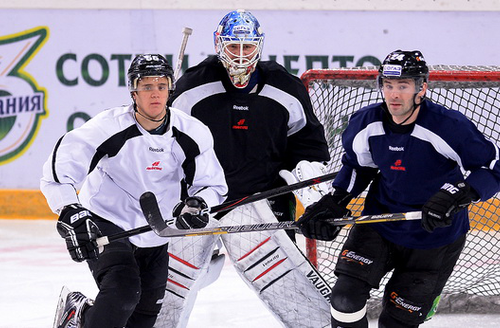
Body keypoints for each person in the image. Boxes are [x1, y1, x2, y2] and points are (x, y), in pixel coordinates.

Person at [296, 49, 500, 327]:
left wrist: (458, 195)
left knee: (395, 323)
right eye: (388, 85)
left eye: (403, 86)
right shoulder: (366, 123)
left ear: (421, 88)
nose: (394, 94)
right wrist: (334, 201)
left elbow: (491, 167)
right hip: (380, 224)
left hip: (435, 236)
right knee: (345, 299)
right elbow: (358, 167)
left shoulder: (448, 126)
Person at [158, 9, 332, 328]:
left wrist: (310, 183)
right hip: (197, 204)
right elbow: (165, 148)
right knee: (166, 293)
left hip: (257, 203)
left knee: (293, 292)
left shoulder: (285, 87)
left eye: (247, 46)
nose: (240, 55)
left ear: (259, 46)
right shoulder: (192, 87)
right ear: (217, 45)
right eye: (232, 46)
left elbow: (308, 145)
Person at [40, 54, 228, 328]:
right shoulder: (109, 127)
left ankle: (80, 317)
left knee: (143, 320)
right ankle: (80, 316)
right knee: (123, 293)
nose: (155, 94)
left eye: (161, 86)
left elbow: (213, 186)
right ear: (133, 92)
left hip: (157, 231)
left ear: (170, 89)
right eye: (147, 87)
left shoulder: (191, 132)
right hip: (108, 221)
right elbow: (57, 172)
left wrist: (198, 204)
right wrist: (70, 209)